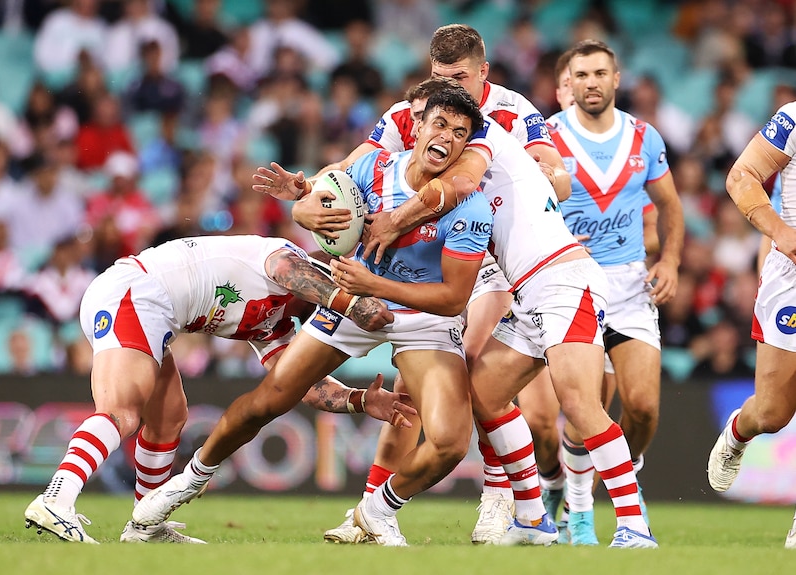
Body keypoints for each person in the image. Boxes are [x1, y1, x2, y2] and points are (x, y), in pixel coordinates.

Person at [131, 86, 493, 547]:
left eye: (460, 133)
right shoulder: (371, 168)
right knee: (270, 399)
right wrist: (307, 212)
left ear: (465, 147)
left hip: (420, 313)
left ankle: (377, 509)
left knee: (449, 443)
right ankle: (190, 480)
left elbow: (453, 299)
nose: (447, 137)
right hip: (351, 302)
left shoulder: (471, 205)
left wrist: (374, 288)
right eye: (440, 124)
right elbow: (312, 202)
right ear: (417, 127)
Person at [280, 23, 568, 545]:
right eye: (438, 78)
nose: (447, 89)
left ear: (483, 73)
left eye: (458, 78)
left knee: (478, 369)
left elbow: (558, 176)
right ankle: (368, 511)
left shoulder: (512, 111)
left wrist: (544, 175)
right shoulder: (411, 111)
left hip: (489, 258)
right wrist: (308, 193)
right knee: (406, 394)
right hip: (430, 259)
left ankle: (502, 498)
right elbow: (344, 172)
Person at [23, 235, 401, 544]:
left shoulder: (279, 325)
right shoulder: (282, 257)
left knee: (168, 418)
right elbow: (290, 271)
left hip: (156, 314)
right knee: (121, 410)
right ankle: (57, 498)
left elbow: (298, 385)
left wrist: (361, 399)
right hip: (136, 292)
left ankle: (145, 526)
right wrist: (352, 303)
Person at [542, 40, 684, 546]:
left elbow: (669, 206)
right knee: (588, 408)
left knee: (643, 407)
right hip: (573, 282)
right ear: (570, 83)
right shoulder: (548, 138)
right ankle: (580, 515)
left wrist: (669, 260)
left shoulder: (645, 137)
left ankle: (627, 468)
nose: (592, 82)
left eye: (600, 72)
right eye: (581, 74)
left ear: (617, 78)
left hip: (629, 283)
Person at [706, 99, 796, 549]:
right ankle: (742, 427)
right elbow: (741, 176)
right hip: (792, 278)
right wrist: (784, 237)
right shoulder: (794, 117)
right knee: (774, 413)